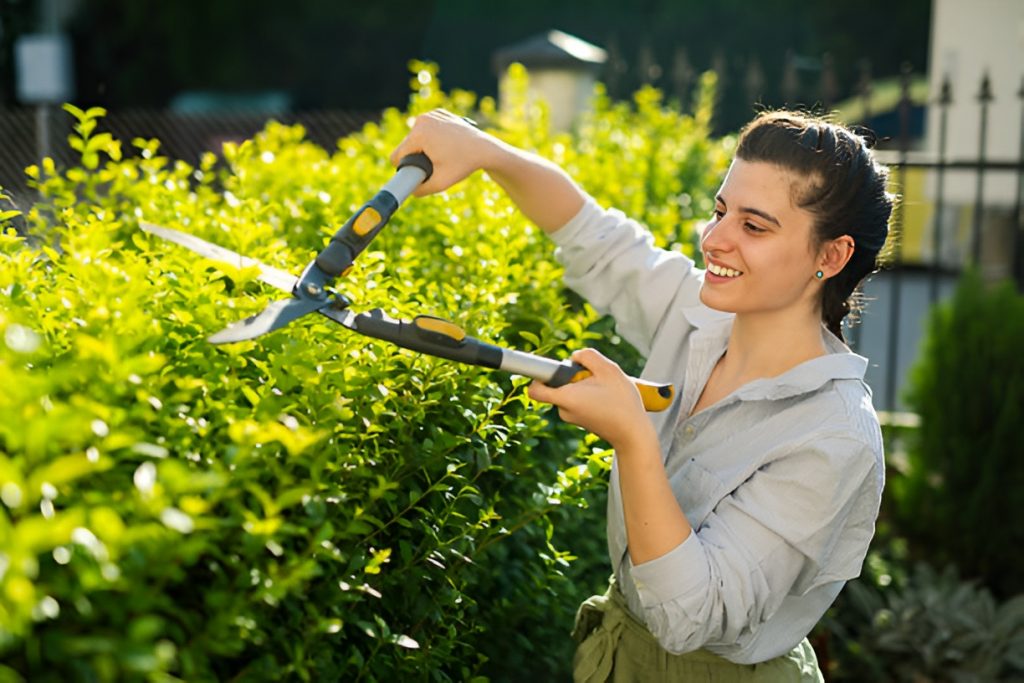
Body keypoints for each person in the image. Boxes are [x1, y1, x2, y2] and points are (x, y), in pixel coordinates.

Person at [391, 108, 892, 682]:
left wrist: (632, 439)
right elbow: (598, 241)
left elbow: (692, 618)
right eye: (720, 212)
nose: (714, 240)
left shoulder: (833, 437)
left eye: (754, 227)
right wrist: (487, 153)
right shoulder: (697, 313)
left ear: (831, 256)